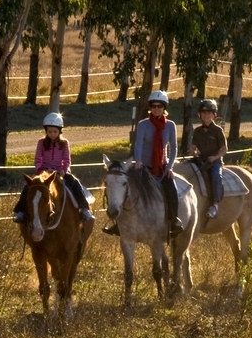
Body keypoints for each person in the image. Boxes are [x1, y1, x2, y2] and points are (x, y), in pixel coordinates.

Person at [103, 90, 184, 237]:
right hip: (144, 166)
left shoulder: (170, 125)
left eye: (160, 106)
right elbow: (138, 143)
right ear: (150, 107)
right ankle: (118, 224)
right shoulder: (143, 124)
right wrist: (138, 160)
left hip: (162, 167)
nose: (156, 109)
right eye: (153, 106)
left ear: (164, 107)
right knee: (128, 189)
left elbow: (173, 148)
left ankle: (173, 221)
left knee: (171, 190)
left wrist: (170, 167)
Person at [12, 112, 95, 223]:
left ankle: (85, 209)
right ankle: (20, 211)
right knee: (29, 186)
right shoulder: (41, 143)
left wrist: (63, 170)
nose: (52, 134)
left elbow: (67, 160)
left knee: (75, 183)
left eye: (55, 131)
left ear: (60, 131)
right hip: (44, 172)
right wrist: (40, 169)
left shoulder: (65, 143)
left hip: (60, 172)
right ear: (46, 131)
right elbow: (37, 159)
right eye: (49, 131)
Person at [187, 99, 228, 218]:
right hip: (201, 160)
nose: (206, 115)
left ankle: (215, 204)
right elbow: (194, 147)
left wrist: (215, 158)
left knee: (216, 175)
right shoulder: (197, 131)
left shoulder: (218, 131)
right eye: (203, 113)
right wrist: (192, 151)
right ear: (199, 115)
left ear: (214, 115)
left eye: (209, 113)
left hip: (215, 161)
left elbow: (224, 149)